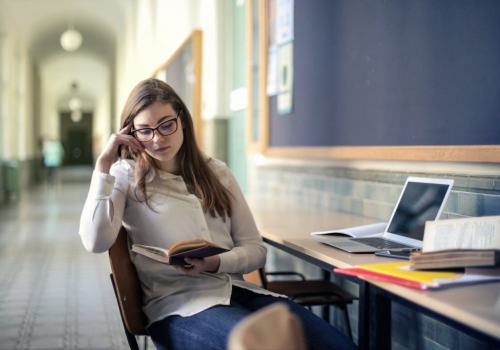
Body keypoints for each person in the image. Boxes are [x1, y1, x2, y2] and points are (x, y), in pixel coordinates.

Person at [79, 78, 357, 350]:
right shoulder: (125, 176)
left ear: (183, 120)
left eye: (166, 125)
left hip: (237, 292)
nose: (158, 138)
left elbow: (256, 251)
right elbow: (96, 242)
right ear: (131, 134)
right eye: (145, 131)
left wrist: (213, 263)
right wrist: (103, 166)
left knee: (339, 346)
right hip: (178, 307)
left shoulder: (217, 173)